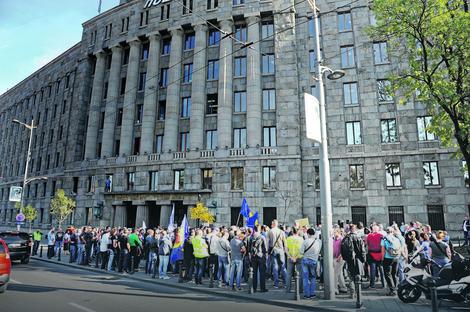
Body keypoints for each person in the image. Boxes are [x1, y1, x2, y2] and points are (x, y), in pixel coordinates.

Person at [341, 224, 367, 299]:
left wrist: (345, 258)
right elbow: (362, 250)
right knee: (357, 276)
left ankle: (352, 293)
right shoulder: (358, 238)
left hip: (349, 259)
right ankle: (358, 293)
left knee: (351, 277)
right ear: (355, 230)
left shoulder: (345, 238)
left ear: (349, 230)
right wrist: (364, 260)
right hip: (358, 259)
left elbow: (342, 250)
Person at [300, 228, 322, 299]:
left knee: (305, 278)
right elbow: (319, 251)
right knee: (313, 277)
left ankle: (307, 294)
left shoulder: (305, 241)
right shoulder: (319, 241)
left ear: (308, 234)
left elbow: (301, 252)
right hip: (314, 261)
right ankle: (312, 293)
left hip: (305, 260)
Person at [267, 219, 287, 288]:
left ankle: (276, 284)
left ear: (273, 224)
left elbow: (268, 242)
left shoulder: (270, 231)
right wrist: (285, 250)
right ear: (277, 224)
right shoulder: (281, 232)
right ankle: (285, 283)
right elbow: (285, 242)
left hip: (273, 250)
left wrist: (267, 251)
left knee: (275, 267)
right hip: (281, 250)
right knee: (283, 266)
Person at [381, 227, 401, 296]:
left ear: (386, 232)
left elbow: (383, 250)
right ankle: (395, 287)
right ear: (392, 232)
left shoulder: (384, 239)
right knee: (394, 274)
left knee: (387, 274)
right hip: (396, 258)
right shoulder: (396, 239)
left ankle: (392, 290)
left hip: (388, 258)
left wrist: (382, 258)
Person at [285, 227, 304, 294]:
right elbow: (302, 250)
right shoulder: (301, 239)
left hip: (290, 257)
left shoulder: (288, 238)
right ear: (297, 232)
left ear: (292, 231)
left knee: (289, 274)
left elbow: (286, 249)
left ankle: (288, 289)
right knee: (300, 274)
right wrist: (296, 257)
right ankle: (300, 289)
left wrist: (290, 257)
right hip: (299, 257)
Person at [250, 225, 268, 293]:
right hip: (260, 256)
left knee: (254, 273)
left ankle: (254, 288)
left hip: (253, 256)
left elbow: (249, 247)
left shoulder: (251, 237)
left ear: (254, 229)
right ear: (260, 229)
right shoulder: (262, 237)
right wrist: (265, 255)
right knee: (262, 273)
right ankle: (262, 288)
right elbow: (265, 248)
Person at [332, 228, 347, 294]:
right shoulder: (334, 240)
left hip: (340, 258)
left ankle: (335, 289)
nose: (333, 234)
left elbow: (344, 249)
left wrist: (340, 256)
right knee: (339, 273)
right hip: (334, 257)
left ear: (338, 232)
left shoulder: (342, 239)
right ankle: (343, 287)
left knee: (335, 274)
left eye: (334, 232)